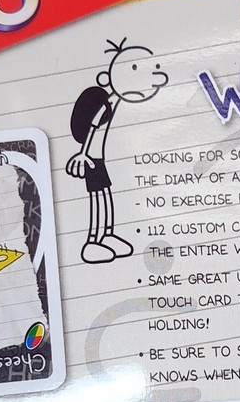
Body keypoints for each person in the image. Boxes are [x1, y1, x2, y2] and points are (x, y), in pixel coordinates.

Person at [67, 39, 169, 263]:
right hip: (92, 160)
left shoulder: (117, 103)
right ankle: (93, 241)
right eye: (134, 68)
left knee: (106, 196)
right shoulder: (104, 104)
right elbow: (92, 129)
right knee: (98, 199)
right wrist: (83, 154)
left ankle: (107, 235)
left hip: (100, 160)